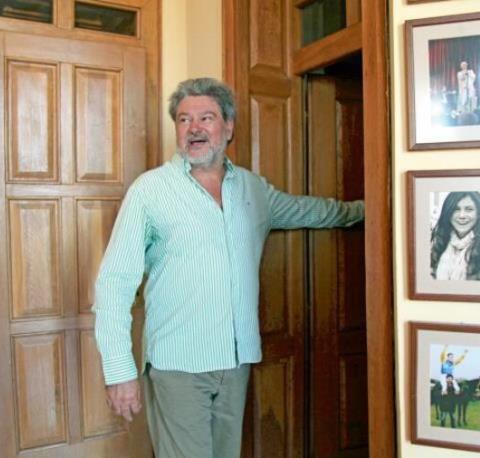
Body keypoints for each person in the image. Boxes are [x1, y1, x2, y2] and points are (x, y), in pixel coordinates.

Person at [93, 77, 364, 457]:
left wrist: (367, 210)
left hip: (236, 364)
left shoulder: (253, 189)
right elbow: (114, 284)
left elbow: (310, 211)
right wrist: (119, 371)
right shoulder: (149, 190)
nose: (194, 128)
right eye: (184, 119)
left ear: (229, 126)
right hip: (178, 366)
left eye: (206, 117)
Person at [430, 191, 480, 281]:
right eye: (456, 209)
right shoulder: (440, 241)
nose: (462, 216)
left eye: (469, 209)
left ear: (479, 214)